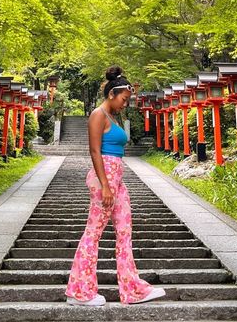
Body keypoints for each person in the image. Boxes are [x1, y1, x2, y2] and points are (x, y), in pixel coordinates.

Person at [65, 65, 167, 306]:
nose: (125, 103)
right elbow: (94, 150)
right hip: (105, 180)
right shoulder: (98, 114)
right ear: (112, 94)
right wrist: (105, 186)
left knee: (124, 232)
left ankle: (133, 290)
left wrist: (113, 184)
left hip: (117, 178)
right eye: (124, 98)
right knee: (94, 232)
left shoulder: (113, 116)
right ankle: (79, 292)